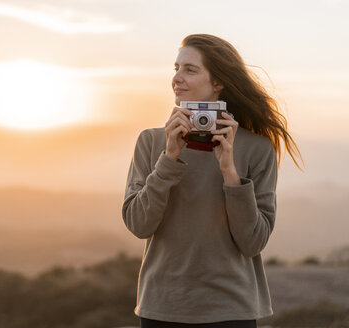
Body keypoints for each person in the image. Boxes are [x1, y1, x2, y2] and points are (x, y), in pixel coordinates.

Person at [121, 34, 303, 328]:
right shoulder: (151, 141)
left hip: (231, 310)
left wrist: (230, 173)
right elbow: (139, 224)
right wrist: (169, 159)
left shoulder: (257, 149)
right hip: (162, 307)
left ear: (218, 82)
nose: (177, 78)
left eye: (190, 70)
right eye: (176, 68)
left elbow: (252, 242)